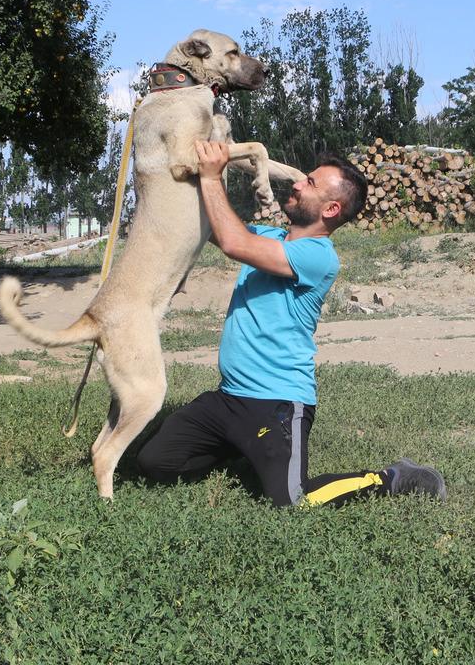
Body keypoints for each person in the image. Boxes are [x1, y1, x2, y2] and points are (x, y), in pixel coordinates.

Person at [135, 140, 446, 507]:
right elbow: (216, 229)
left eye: (311, 183)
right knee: (153, 463)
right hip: (228, 398)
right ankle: (246, 450)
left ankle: (391, 478)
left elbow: (235, 243)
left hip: (278, 403)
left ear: (331, 209)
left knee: (294, 501)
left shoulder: (319, 257)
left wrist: (212, 175)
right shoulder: (269, 237)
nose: (297, 184)